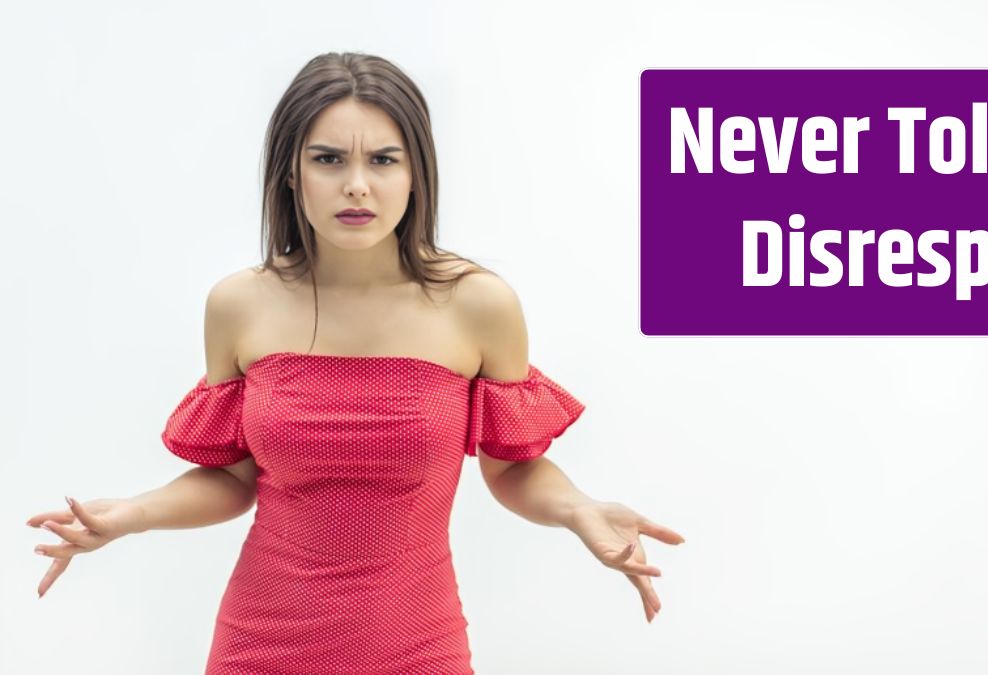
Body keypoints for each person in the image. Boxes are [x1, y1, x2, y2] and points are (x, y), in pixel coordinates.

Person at [25, 51, 685, 674]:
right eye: (329, 158)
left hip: (418, 642)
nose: (357, 185)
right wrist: (126, 516)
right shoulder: (240, 304)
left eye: (384, 159)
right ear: (292, 171)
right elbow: (233, 478)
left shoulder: (478, 303)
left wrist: (578, 509)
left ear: (415, 172)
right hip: (261, 641)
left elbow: (511, 466)